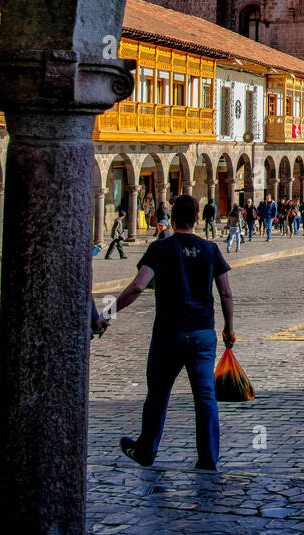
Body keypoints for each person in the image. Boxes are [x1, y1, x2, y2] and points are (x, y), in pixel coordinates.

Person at [96, 194, 234, 471]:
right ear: (197, 217)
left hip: (168, 334)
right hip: (202, 334)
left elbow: (136, 287)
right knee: (205, 396)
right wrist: (229, 329)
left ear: (171, 218)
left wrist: (105, 315)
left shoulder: (160, 249)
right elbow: (226, 293)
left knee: (158, 394)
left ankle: (146, 450)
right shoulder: (210, 250)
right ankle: (208, 458)